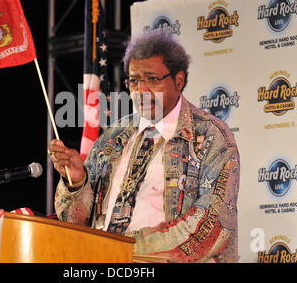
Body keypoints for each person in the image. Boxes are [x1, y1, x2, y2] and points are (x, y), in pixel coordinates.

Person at [49, 29, 240, 263]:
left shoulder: (211, 136)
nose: (142, 91)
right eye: (135, 81)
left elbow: (210, 227)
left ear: (178, 80)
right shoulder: (114, 136)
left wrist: (119, 250)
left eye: (152, 79)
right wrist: (77, 182)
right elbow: (75, 222)